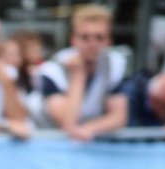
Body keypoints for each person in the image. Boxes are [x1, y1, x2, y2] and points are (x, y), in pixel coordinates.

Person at [36, 4, 128, 142]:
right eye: (85, 37)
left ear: (109, 41)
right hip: (47, 146)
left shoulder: (115, 64)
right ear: (73, 40)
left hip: (87, 143)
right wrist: (78, 76)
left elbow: (119, 117)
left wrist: (91, 128)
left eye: (99, 38)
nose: (92, 44)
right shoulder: (52, 71)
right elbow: (68, 124)